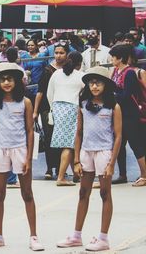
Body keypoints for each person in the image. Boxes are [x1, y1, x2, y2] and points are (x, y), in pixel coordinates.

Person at [57, 66, 122, 251]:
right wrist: (76, 159)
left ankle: (103, 238)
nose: (94, 86)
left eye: (98, 82)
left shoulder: (113, 106)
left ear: (106, 85)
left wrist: (112, 163)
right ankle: (76, 235)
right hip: (86, 152)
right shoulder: (83, 104)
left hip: (104, 153)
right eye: (91, 83)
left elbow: (118, 136)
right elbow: (78, 133)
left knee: (104, 193)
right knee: (83, 193)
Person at [0, 62, 44, 251]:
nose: (7, 83)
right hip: (0, 150)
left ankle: (33, 236)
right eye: (3, 79)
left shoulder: (25, 102)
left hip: (20, 150)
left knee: (27, 193)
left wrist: (28, 159)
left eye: (10, 79)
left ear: (17, 81)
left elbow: (30, 131)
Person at [109, 44, 146, 186]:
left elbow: (127, 94)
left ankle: (144, 175)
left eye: (113, 57)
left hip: (131, 115)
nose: (111, 59)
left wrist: (113, 96)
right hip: (119, 115)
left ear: (120, 58)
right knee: (119, 144)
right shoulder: (115, 71)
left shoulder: (129, 72)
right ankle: (122, 174)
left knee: (136, 144)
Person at [47, 51, 85, 186]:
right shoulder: (81, 76)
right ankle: (61, 177)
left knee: (68, 143)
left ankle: (75, 174)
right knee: (69, 144)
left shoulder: (56, 73)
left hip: (57, 107)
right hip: (72, 108)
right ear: (79, 64)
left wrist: (53, 107)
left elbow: (49, 93)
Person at [33, 43, 69, 180]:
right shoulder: (48, 70)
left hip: (63, 108)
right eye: (57, 52)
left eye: (62, 53)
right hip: (47, 109)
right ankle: (49, 168)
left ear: (67, 54)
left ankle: (61, 168)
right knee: (49, 138)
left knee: (60, 139)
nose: (58, 55)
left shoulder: (68, 70)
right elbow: (40, 92)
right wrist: (35, 111)